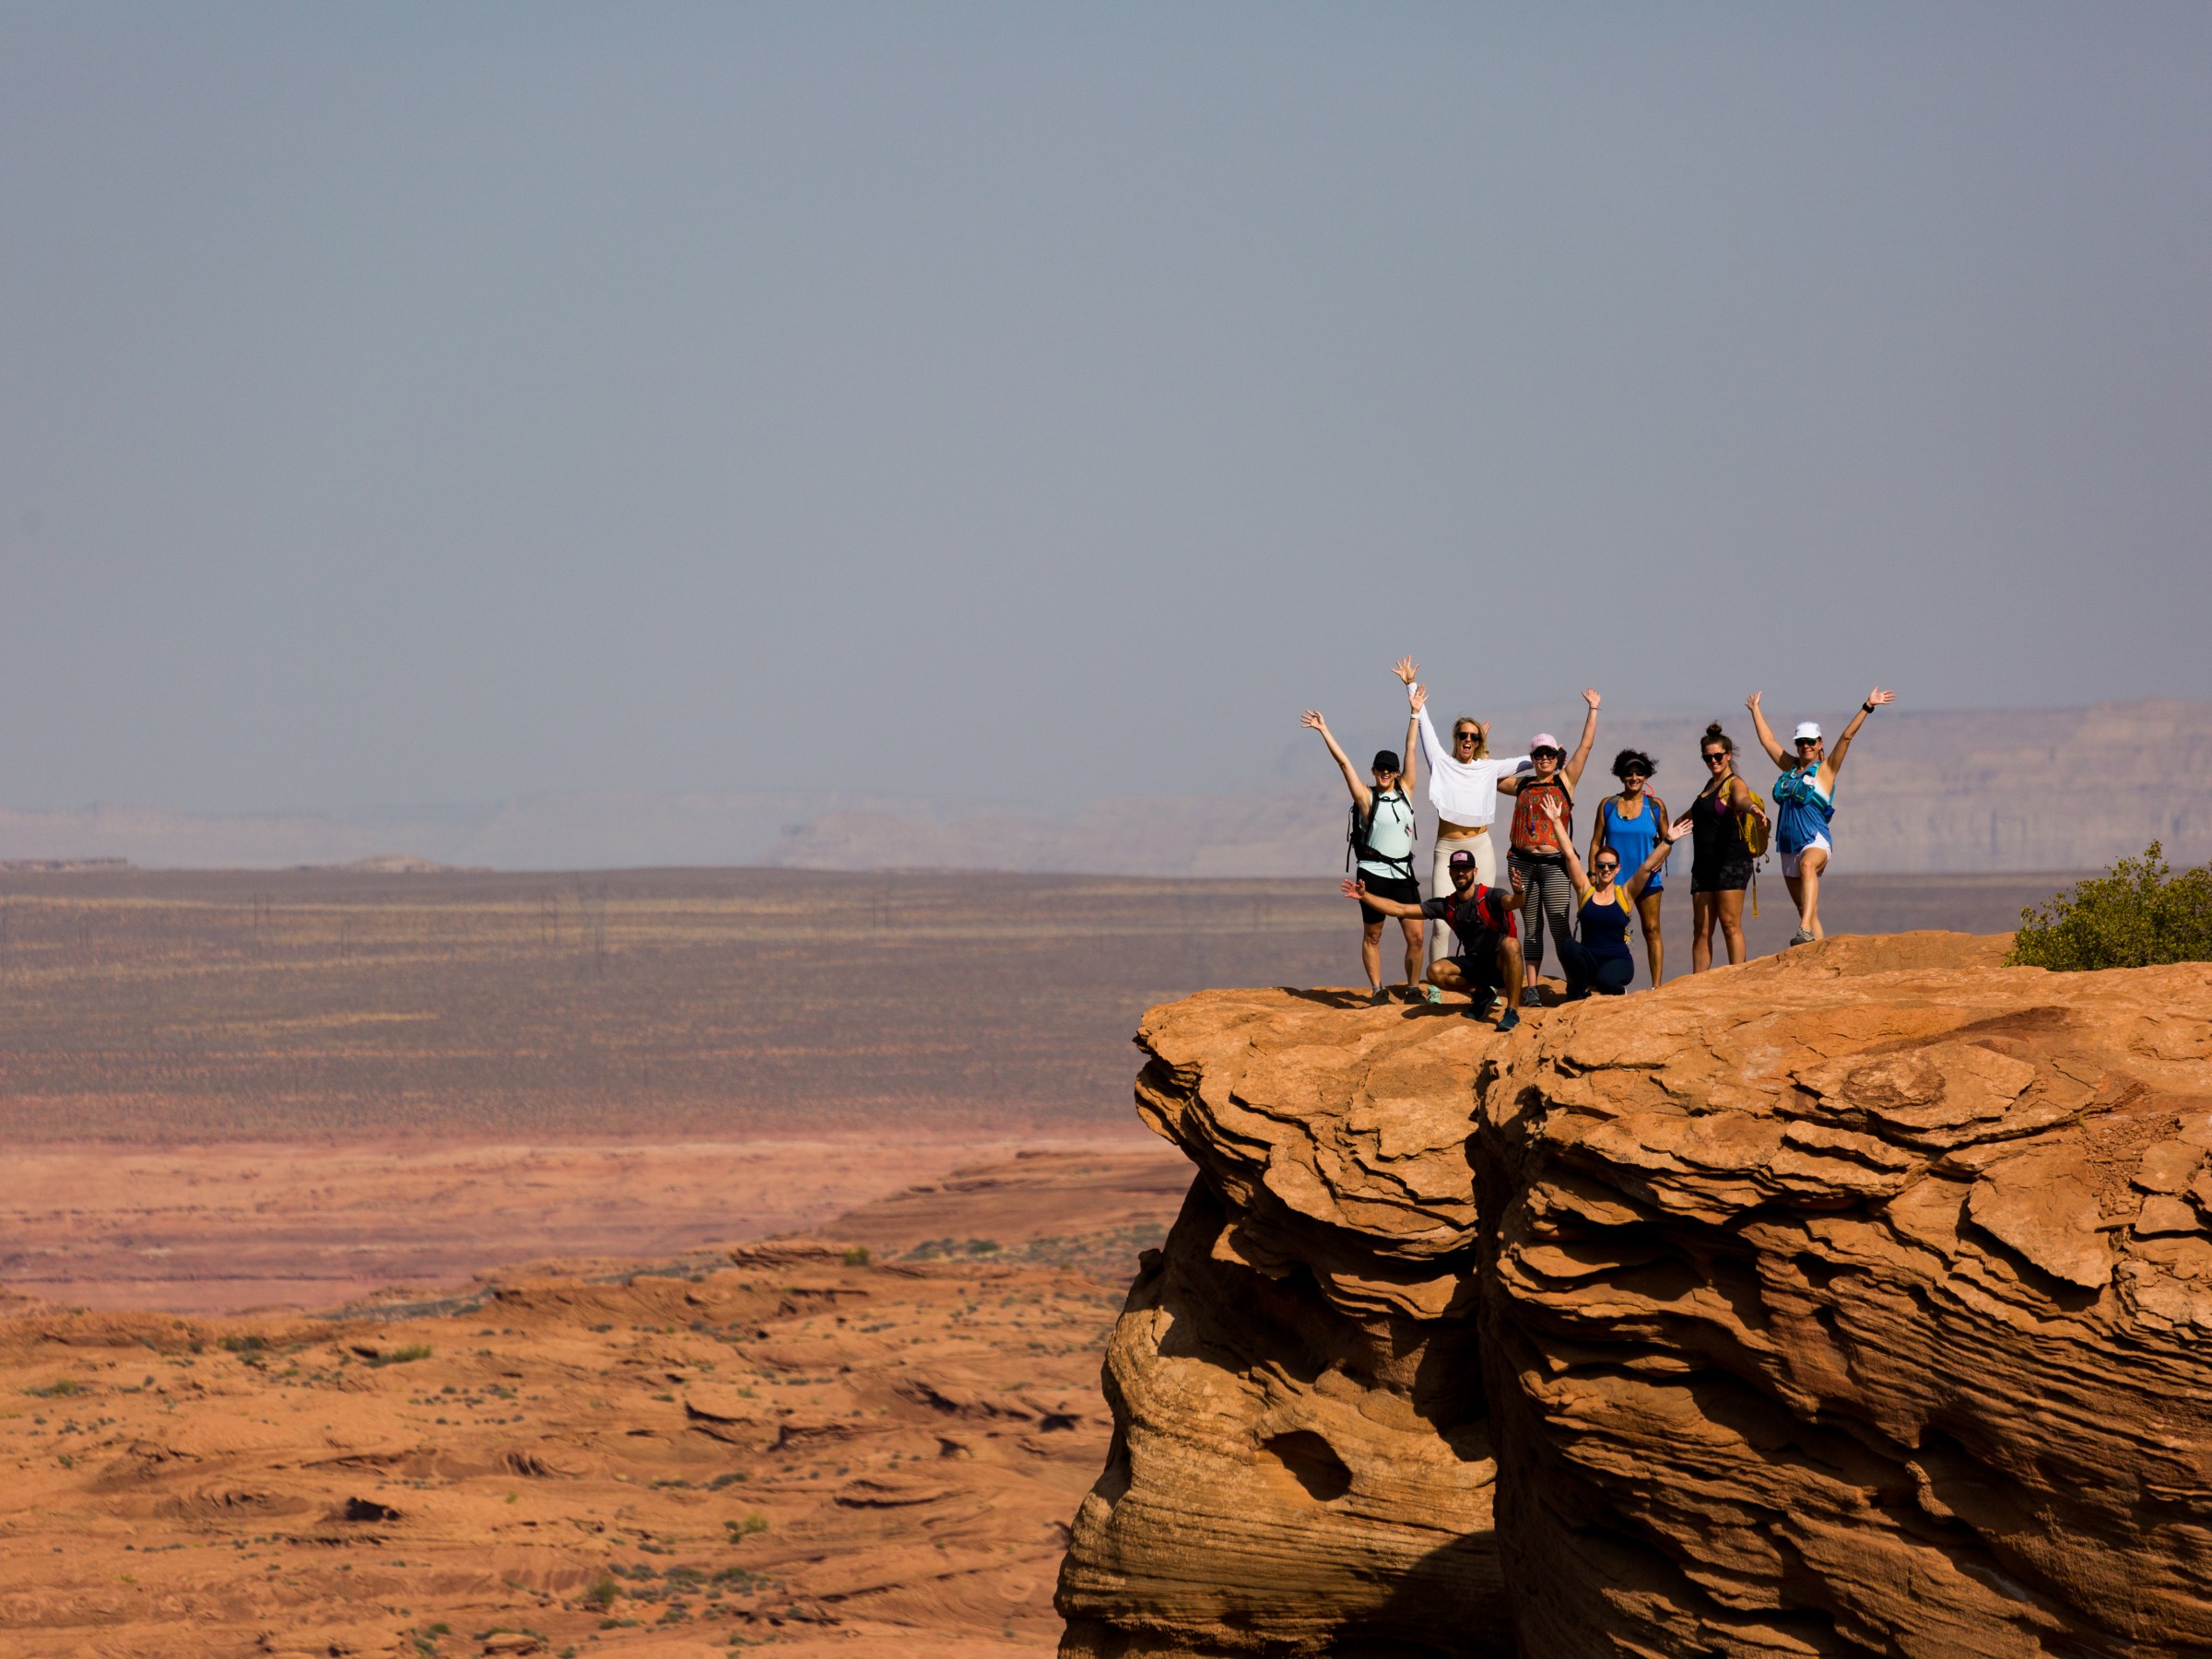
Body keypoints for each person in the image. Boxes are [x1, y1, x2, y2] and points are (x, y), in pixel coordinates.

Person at [1394, 658, 1529, 976]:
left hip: (1479, 847)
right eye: (1463, 736)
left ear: (1480, 742)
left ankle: (1496, 978)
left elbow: (1524, 762)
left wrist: (1554, 754)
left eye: (1474, 737)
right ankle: (1437, 987)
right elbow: (1424, 729)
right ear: (1455, 738)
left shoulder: (1487, 768)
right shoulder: (1441, 762)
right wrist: (1410, 685)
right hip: (1447, 850)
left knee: (1490, 916)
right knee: (1441, 922)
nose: (1468, 740)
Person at [1746, 688, 1898, 944]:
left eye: (1810, 742)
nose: (1805, 746)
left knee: (1808, 867)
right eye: (1800, 742)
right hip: (1787, 845)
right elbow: (1768, 742)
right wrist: (1755, 710)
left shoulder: (1825, 770)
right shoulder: (1790, 768)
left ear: (1819, 744)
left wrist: (1867, 706)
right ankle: (1815, 955)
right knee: (1806, 909)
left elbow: (1846, 738)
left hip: (1814, 839)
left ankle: (1804, 930)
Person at [1302, 703, 1423, 1004]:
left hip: (1404, 875)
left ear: (1396, 773)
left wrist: (1414, 713)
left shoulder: (1407, 790)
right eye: (1379, 769)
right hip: (1373, 874)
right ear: (1373, 771)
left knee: (1417, 937)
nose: (1385, 773)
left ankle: (1413, 989)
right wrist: (1324, 730)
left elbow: (1411, 746)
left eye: (1389, 769)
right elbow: (1344, 764)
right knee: (1373, 935)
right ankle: (1378, 990)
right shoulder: (1367, 798)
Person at [1494, 689, 1601, 1006]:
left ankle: (1574, 983)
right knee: (1531, 927)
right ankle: (1531, 987)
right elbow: (1488, 776)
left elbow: (1586, 747)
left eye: (1549, 754)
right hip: (1523, 863)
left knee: (1559, 923)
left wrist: (1593, 709)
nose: (1544, 759)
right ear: (1532, 757)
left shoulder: (1565, 781)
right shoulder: (1522, 784)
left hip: (1555, 864)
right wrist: (1480, 751)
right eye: (1538, 755)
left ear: (1557, 757)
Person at [1343, 850, 1528, 1031]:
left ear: (1475, 871)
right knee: (1434, 971)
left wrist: (1519, 892)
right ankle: (1481, 994)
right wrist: (1365, 896)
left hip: (1501, 966)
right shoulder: (1446, 905)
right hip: (1475, 965)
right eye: (1456, 869)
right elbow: (1400, 909)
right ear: (1450, 872)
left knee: (1511, 944)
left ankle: (1512, 1011)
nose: (1461, 873)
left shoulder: (1490, 896)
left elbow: (1513, 903)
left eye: (1466, 868)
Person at [1536, 793, 1690, 998]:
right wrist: (1556, 822)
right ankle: (1580, 990)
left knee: (1606, 981)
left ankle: (1618, 992)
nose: (1606, 869)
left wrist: (1668, 841)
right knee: (1569, 947)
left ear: (1618, 868)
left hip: (1618, 962)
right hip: (1590, 959)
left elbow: (1646, 868)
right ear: (1596, 868)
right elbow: (1570, 856)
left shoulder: (1624, 893)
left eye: (1610, 865)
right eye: (1601, 865)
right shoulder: (1585, 889)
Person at [1589, 748, 1669, 987]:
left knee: (1652, 929)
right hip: (1613, 881)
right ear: (1621, 775)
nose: (1634, 777)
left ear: (1647, 776)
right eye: (1629, 773)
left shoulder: (1655, 807)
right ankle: (1606, 983)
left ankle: (1656, 986)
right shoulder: (1608, 806)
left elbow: (1668, 839)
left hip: (1647, 880)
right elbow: (1596, 841)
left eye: (1640, 772)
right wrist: (1594, 874)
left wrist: (1661, 857)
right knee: (1607, 932)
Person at [1685, 723, 1759, 972]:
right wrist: (1664, 831)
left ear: (1728, 756)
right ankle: (1698, 982)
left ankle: (1736, 977)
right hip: (1704, 866)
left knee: (1729, 924)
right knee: (1701, 928)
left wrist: (1752, 809)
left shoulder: (1734, 783)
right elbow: (1693, 814)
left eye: (1718, 756)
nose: (1713, 761)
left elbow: (1742, 798)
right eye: (1708, 757)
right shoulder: (1709, 786)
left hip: (1730, 863)